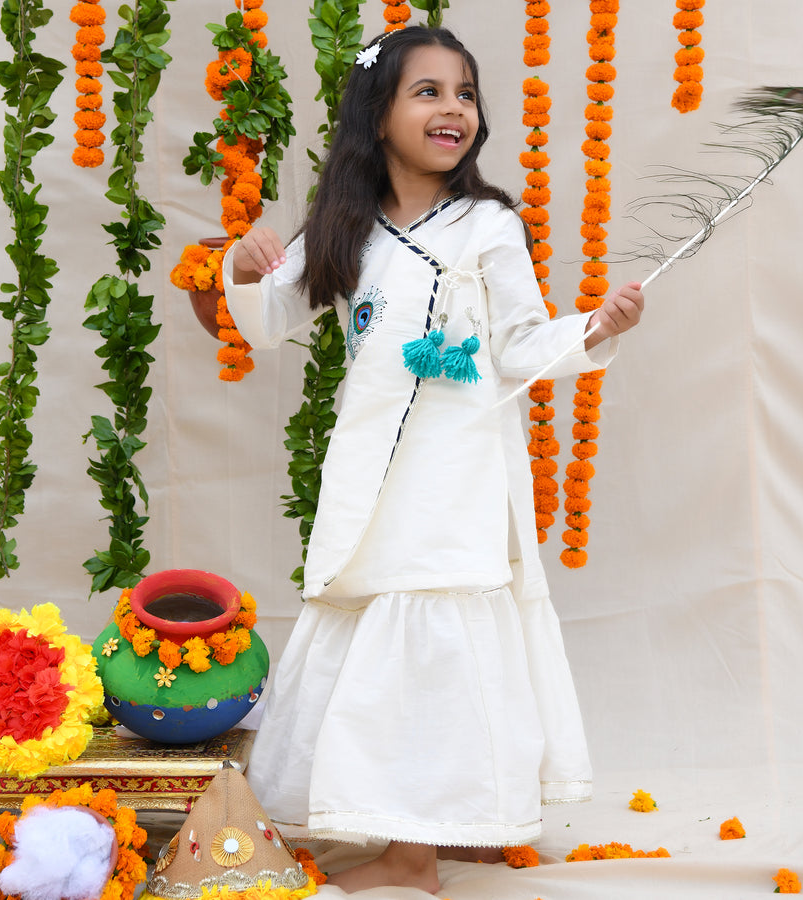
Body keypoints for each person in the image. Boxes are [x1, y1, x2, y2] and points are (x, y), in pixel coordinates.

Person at [221, 26, 644, 894]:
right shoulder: (344, 226)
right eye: (429, 91)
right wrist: (244, 264)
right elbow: (269, 323)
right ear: (377, 116)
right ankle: (416, 828)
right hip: (372, 465)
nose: (453, 108)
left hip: (455, 473)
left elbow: (522, 345)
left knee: (437, 629)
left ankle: (414, 857)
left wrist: (591, 330)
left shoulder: (489, 223)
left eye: (464, 92)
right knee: (377, 626)